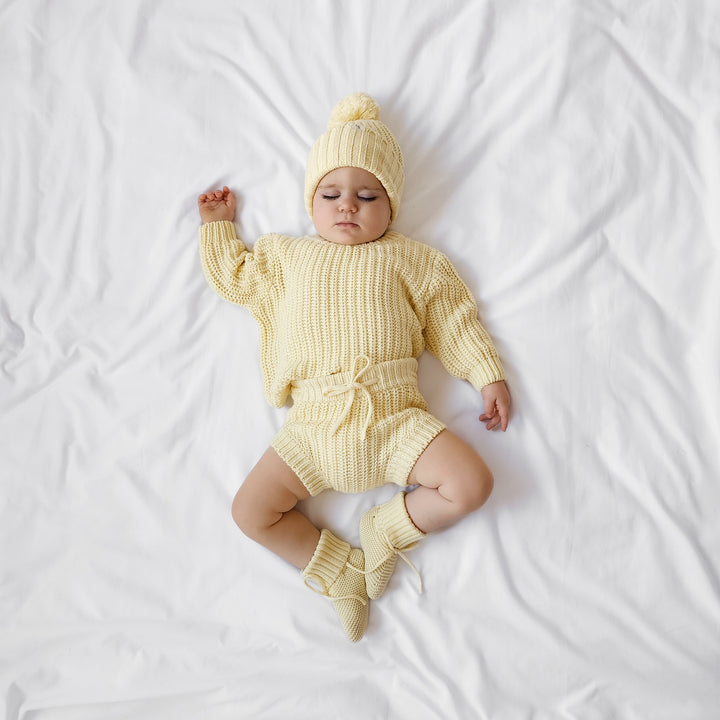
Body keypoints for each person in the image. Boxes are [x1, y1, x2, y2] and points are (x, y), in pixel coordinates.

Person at [197, 93, 511, 642]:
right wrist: (219, 228)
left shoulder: (409, 259)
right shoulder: (288, 258)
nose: (348, 206)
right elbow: (237, 278)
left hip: (394, 419)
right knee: (250, 512)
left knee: (472, 483)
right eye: (331, 194)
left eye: (367, 195)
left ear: (390, 208)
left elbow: (451, 316)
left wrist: (486, 374)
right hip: (314, 427)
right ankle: (340, 570)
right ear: (310, 202)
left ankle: (386, 528)